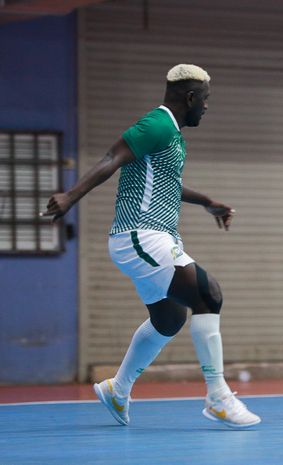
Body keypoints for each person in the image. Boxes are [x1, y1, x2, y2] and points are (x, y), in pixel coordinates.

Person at [41, 64, 261, 428]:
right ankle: (218, 397)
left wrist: (207, 201)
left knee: (169, 319)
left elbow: (166, 183)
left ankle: (117, 389)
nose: (206, 107)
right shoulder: (156, 125)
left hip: (152, 238)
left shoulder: (171, 134)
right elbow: (112, 158)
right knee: (209, 294)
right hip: (140, 235)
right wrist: (70, 196)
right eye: (204, 99)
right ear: (190, 97)